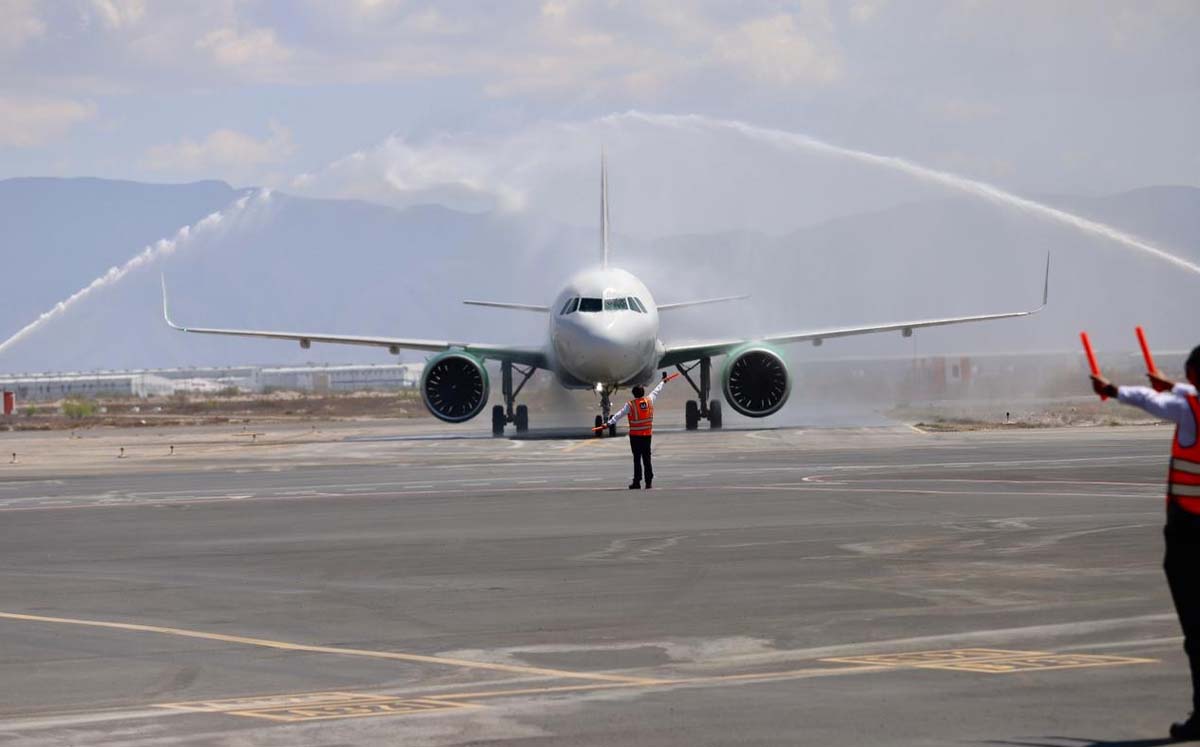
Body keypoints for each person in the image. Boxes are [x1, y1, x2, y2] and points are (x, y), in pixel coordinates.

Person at [1092, 344, 1200, 741]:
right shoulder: (1189, 400)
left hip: (1190, 531)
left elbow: (1152, 401)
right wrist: (1175, 385)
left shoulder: (1187, 410)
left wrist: (1112, 390)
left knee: (1196, 629)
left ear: (1192, 374)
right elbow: (1180, 394)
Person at [602, 372, 673, 489]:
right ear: (643, 392)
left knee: (637, 459)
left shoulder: (630, 405)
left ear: (633, 394)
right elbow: (657, 390)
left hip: (635, 437)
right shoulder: (649, 400)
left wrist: (608, 424)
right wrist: (663, 381)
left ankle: (637, 481)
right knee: (647, 459)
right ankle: (649, 482)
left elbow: (619, 415)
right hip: (647, 436)